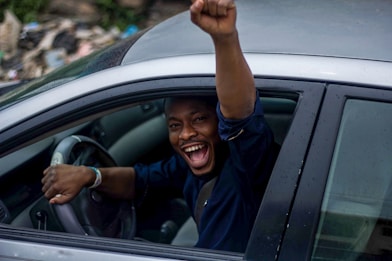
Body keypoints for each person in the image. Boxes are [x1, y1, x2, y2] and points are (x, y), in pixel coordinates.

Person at [42, 0, 276, 253]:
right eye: (175, 125)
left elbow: (240, 114)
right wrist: (90, 176)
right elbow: (141, 180)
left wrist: (225, 38)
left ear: (219, 121)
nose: (185, 134)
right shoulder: (190, 166)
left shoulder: (246, 165)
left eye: (199, 119)